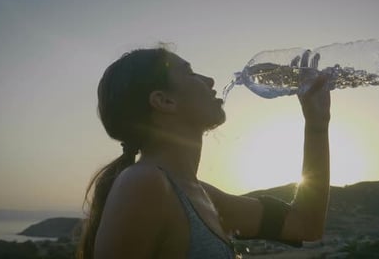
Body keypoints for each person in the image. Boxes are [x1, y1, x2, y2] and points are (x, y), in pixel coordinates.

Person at [77, 47, 331, 259]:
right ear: (164, 101)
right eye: (189, 73)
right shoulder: (144, 183)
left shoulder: (201, 195)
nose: (209, 80)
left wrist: (317, 125)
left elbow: (305, 225)